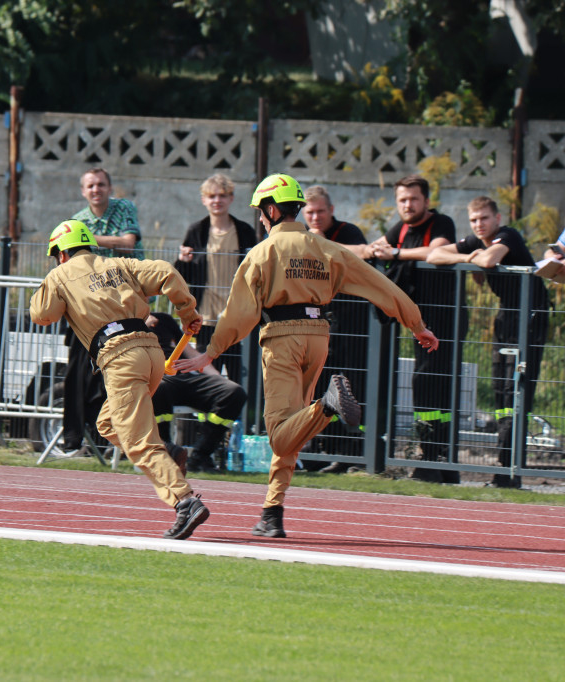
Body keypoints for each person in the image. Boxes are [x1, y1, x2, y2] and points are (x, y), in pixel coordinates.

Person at [175, 173, 438, 539]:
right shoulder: (325, 247)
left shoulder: (262, 253)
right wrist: (416, 323)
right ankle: (272, 512)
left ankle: (326, 405)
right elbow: (379, 285)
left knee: (280, 436)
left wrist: (211, 352)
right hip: (318, 337)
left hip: (282, 339)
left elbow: (238, 312)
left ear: (270, 210)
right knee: (292, 428)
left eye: (260, 213)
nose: (260, 220)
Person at [30, 219, 210, 540]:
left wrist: (51, 286)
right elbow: (167, 272)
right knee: (108, 424)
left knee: (139, 441)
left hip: (119, 356)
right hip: (151, 352)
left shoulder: (59, 276)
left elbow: (43, 315)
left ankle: (185, 501)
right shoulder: (118, 264)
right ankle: (167, 452)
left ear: (60, 254)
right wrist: (188, 313)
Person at [427, 196, 550, 488]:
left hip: (531, 316)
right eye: (474, 220)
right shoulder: (475, 241)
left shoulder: (508, 235)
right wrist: (467, 257)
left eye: (484, 218)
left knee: (517, 389)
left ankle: (511, 469)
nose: (479, 225)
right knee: (501, 388)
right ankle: (503, 466)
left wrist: (476, 258)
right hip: (506, 315)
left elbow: (490, 259)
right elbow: (434, 255)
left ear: (497, 218)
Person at [369, 174, 462, 484]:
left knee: (434, 386)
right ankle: (431, 458)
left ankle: (439, 460)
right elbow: (377, 246)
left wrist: (395, 254)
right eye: (402, 200)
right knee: (424, 387)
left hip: (445, 318)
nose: (407, 205)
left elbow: (434, 252)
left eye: (413, 199)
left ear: (426, 201)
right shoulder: (402, 227)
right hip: (418, 322)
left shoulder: (441, 223)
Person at [58, 168, 141, 456]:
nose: (96, 190)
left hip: (121, 301)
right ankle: (74, 441)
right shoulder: (77, 220)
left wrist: (89, 240)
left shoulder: (124, 208)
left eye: (101, 184)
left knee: (114, 375)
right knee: (78, 374)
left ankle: (107, 441)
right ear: (83, 191)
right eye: (91, 185)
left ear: (110, 187)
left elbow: (129, 242)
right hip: (90, 305)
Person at [301, 185, 371, 473]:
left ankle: (351, 453)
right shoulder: (299, 235)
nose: (315, 217)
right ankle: (324, 449)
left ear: (331, 211)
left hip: (352, 321)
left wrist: (317, 241)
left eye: (320, 211)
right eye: (310, 213)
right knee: (320, 384)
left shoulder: (348, 231)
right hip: (318, 322)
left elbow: (359, 253)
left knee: (350, 385)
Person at [174, 173, 258, 383]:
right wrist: (182, 260)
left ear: (231, 198)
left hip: (236, 315)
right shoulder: (197, 231)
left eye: (222, 195)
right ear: (204, 200)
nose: (217, 201)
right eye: (211, 196)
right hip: (206, 315)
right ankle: (207, 416)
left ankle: (239, 416)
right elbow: (183, 277)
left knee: (240, 373)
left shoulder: (245, 231)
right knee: (207, 375)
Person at [145, 311, 247, 473]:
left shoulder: (164, 319)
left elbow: (190, 352)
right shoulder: (123, 321)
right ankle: (167, 453)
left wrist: (219, 379)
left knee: (234, 392)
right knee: (159, 387)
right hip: (155, 378)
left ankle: (200, 456)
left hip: (184, 376)